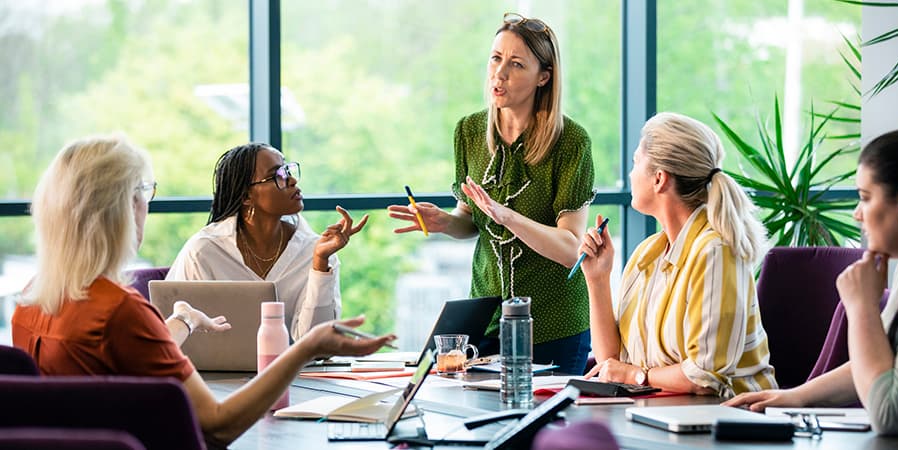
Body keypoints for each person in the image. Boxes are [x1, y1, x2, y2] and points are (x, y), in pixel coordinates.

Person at [11, 134, 395, 447]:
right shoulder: (120, 312)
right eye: (144, 192)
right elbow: (217, 426)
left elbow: (131, 361)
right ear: (121, 209)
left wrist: (182, 320)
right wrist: (308, 347)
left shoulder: (29, 304)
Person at [388, 13, 595, 374]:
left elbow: (570, 249)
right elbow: (470, 220)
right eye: (496, 58)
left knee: (547, 429)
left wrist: (508, 216)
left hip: (553, 324)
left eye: (516, 64)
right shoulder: (468, 132)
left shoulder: (571, 143)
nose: (499, 73)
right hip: (488, 320)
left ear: (543, 77)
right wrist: (446, 222)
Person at [725, 129, 898, 435]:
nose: (857, 215)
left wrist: (862, 307)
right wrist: (794, 397)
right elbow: (880, 366)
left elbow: (890, 415)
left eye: (865, 198)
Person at [579, 112, 777, 396]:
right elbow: (611, 360)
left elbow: (703, 377)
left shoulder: (715, 253)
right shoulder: (648, 253)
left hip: (727, 421)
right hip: (660, 413)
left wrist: (638, 376)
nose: (630, 173)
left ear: (659, 179)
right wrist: (598, 279)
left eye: (635, 163)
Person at [167, 143, 368, 341]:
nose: (291, 180)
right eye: (278, 175)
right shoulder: (204, 251)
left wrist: (320, 263)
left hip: (298, 373)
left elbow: (318, 343)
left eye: (288, 170)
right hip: (216, 374)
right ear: (246, 196)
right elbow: (182, 338)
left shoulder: (316, 249)